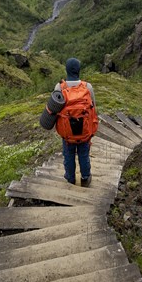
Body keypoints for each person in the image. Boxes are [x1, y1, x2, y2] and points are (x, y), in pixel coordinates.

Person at [54, 57, 97, 187]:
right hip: (84, 132)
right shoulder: (87, 87)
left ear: (66, 70)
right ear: (79, 70)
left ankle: (70, 179)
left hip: (67, 133)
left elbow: (55, 109)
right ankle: (85, 177)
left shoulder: (59, 87)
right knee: (84, 155)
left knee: (69, 156)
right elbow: (93, 106)